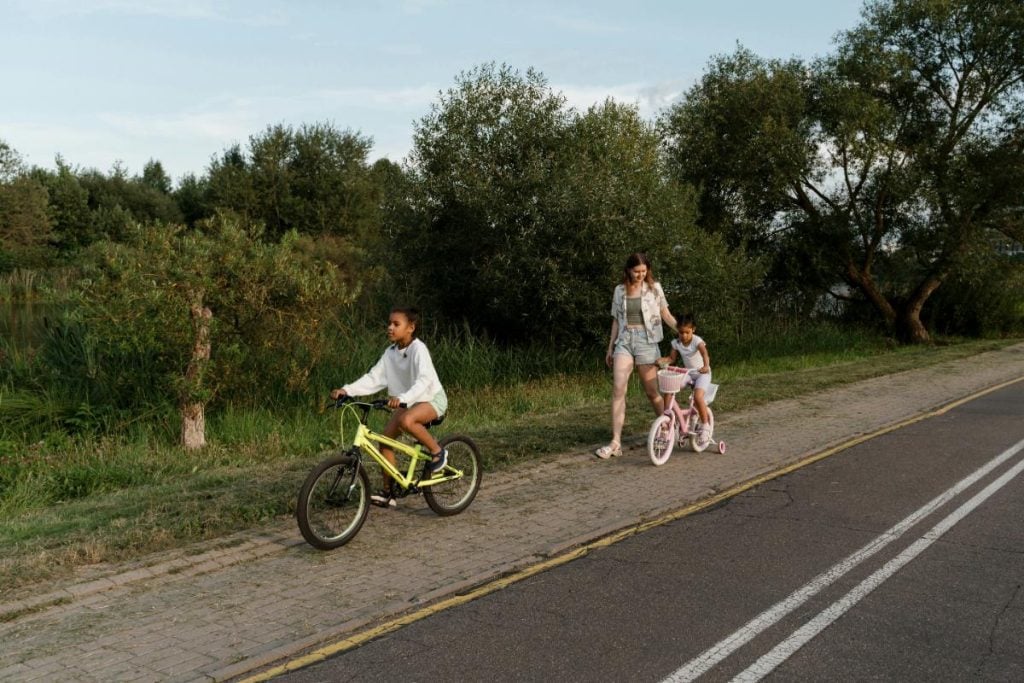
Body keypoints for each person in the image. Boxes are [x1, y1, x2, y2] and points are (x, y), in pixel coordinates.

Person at [330, 307, 449, 507]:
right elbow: (373, 378)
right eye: (389, 323)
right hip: (408, 401)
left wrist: (402, 398)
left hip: (431, 398)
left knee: (406, 420)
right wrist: (347, 390)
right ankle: (388, 493)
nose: (390, 328)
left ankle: (438, 451)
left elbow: (423, 380)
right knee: (385, 442)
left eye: (396, 324)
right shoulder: (390, 353)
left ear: (411, 327)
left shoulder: (418, 349)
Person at [596, 253, 677, 459]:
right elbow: (616, 320)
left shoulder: (654, 289)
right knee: (618, 389)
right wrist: (610, 347)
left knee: (651, 392)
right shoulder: (619, 291)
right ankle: (615, 442)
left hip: (646, 342)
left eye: (644, 271)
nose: (641, 275)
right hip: (624, 341)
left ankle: (668, 427)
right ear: (628, 270)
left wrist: (684, 333)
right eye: (636, 271)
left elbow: (666, 314)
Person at [657, 313, 713, 446]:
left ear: (693, 330)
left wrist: (705, 366)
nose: (684, 336)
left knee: (698, 397)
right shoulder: (676, 343)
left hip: (702, 373)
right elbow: (672, 359)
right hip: (688, 373)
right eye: (681, 332)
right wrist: (662, 361)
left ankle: (705, 426)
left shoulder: (697, 341)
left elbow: (705, 353)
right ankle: (667, 416)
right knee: (669, 388)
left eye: (687, 332)